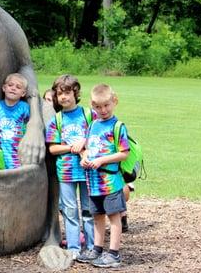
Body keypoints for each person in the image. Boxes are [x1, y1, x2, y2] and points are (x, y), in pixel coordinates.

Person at [78, 84, 130, 268]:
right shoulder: (92, 125)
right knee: (97, 216)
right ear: (92, 105)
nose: (103, 110)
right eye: (98, 107)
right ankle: (97, 249)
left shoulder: (118, 126)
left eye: (107, 105)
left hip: (111, 183)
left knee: (114, 217)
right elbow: (87, 149)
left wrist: (102, 160)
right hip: (94, 183)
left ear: (114, 101)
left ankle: (114, 254)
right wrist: (84, 158)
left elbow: (124, 153)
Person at [45, 75, 95, 260]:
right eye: (59, 94)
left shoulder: (89, 115)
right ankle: (74, 248)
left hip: (88, 170)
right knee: (70, 211)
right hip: (66, 172)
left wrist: (84, 141)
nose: (63, 97)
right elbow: (53, 148)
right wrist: (70, 147)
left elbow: (100, 136)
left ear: (75, 93)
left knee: (89, 210)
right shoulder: (56, 120)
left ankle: (92, 246)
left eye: (67, 92)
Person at [0, 73, 30, 169]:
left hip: (18, 155)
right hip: (1, 153)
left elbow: (28, 127)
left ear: (23, 93)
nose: (13, 88)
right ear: (4, 88)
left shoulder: (24, 107)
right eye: (10, 85)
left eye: (18, 87)